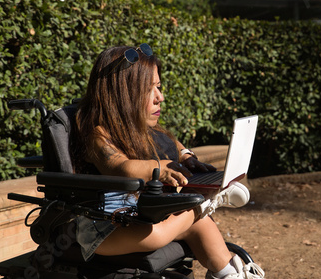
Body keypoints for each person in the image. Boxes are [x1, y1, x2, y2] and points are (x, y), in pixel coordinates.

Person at [72, 44, 265, 279]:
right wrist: (159, 168)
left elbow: (175, 145)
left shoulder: (143, 130)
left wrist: (187, 157)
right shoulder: (98, 135)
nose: (160, 97)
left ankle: (231, 274)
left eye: (159, 87)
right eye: (149, 90)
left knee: (200, 226)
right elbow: (121, 167)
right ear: (120, 95)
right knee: (160, 234)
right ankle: (204, 205)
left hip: (139, 215)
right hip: (104, 227)